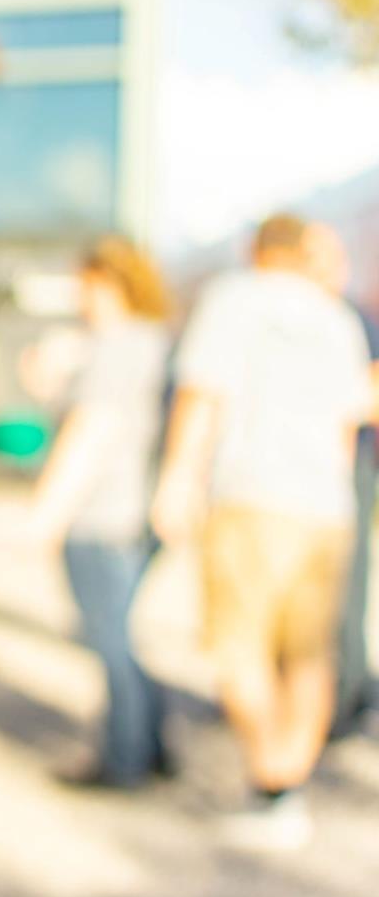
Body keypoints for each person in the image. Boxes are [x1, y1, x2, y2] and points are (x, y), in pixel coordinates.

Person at [151, 214, 374, 850]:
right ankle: (287, 791)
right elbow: (348, 420)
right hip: (325, 505)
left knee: (236, 645)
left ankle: (272, 779)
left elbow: (203, 392)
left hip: (250, 494)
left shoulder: (234, 298)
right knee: (308, 654)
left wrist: (176, 479)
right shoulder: (336, 316)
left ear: (256, 249)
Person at [27, 238, 172, 788]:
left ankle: (124, 760)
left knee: (108, 639)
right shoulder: (151, 341)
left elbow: (90, 431)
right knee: (123, 635)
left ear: (107, 283)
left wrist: (46, 513)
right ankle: (150, 748)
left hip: (103, 514)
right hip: (132, 513)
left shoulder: (115, 346)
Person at [301, 222, 379, 737]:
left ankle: (349, 697)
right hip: (307, 467)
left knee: (344, 588)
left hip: (346, 465)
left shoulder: (350, 319)